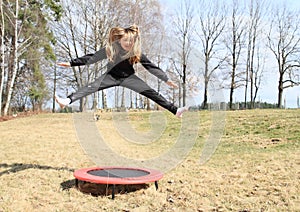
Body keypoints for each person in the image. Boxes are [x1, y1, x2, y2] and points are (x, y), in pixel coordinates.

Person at [56, 25, 188, 118]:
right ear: (120, 40)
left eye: (131, 41)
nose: (128, 43)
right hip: (111, 76)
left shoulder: (135, 52)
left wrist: (166, 79)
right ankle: (67, 101)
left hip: (129, 78)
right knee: (91, 86)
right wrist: (72, 63)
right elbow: (93, 57)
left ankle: (175, 111)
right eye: (125, 40)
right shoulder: (112, 48)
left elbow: (150, 66)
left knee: (151, 93)